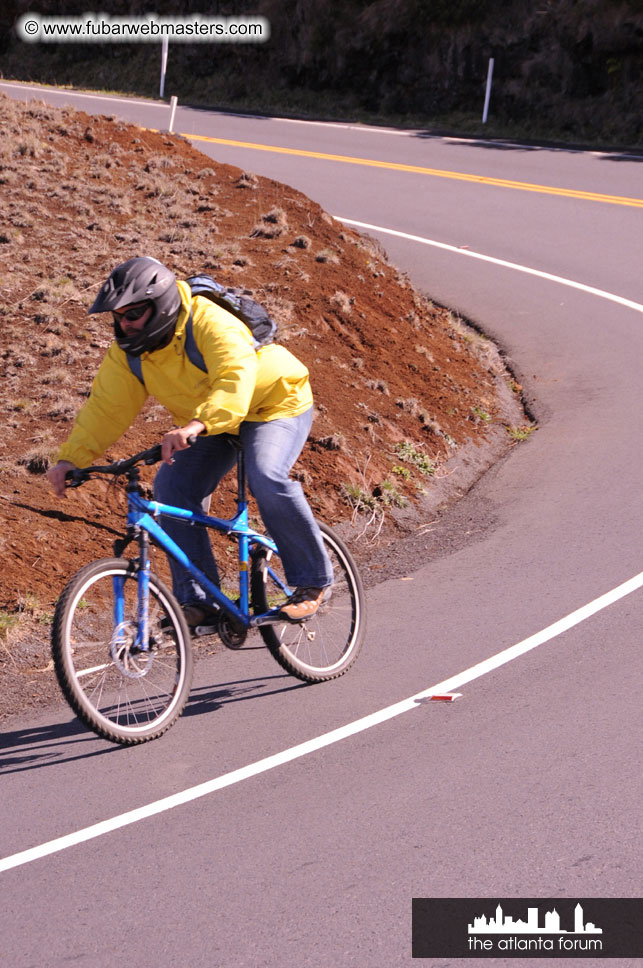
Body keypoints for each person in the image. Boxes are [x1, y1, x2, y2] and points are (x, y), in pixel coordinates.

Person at [47, 256, 333, 625]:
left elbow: (235, 376)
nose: (124, 324)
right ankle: (200, 602)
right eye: (118, 316)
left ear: (161, 304)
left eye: (133, 313)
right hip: (210, 422)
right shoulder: (129, 353)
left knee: (266, 475)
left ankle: (312, 581)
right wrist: (72, 458)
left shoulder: (208, 321)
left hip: (273, 403)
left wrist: (198, 424)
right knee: (171, 488)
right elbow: (106, 408)